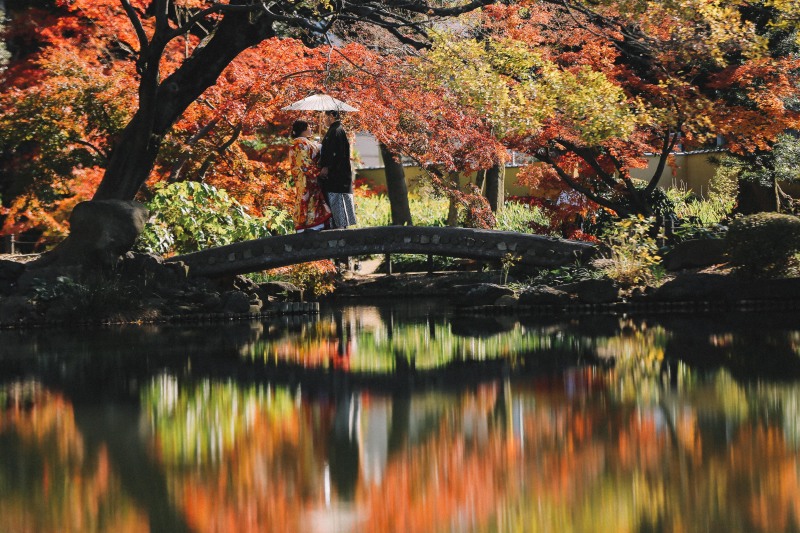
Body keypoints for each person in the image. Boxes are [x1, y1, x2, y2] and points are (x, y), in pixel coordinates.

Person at [288, 119, 331, 232]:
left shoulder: (303, 143)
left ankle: (313, 223)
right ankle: (307, 224)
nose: (310, 129)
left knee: (313, 199)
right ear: (303, 130)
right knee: (307, 199)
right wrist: (318, 172)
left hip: (309, 178)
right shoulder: (299, 144)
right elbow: (304, 163)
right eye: (308, 128)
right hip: (305, 178)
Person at [319, 110, 357, 229]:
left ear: (331, 116)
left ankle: (339, 228)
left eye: (324, 117)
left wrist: (327, 167)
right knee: (337, 202)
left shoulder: (336, 131)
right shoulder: (335, 130)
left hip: (336, 175)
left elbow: (335, 153)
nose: (323, 120)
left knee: (337, 202)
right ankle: (339, 227)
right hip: (339, 174)